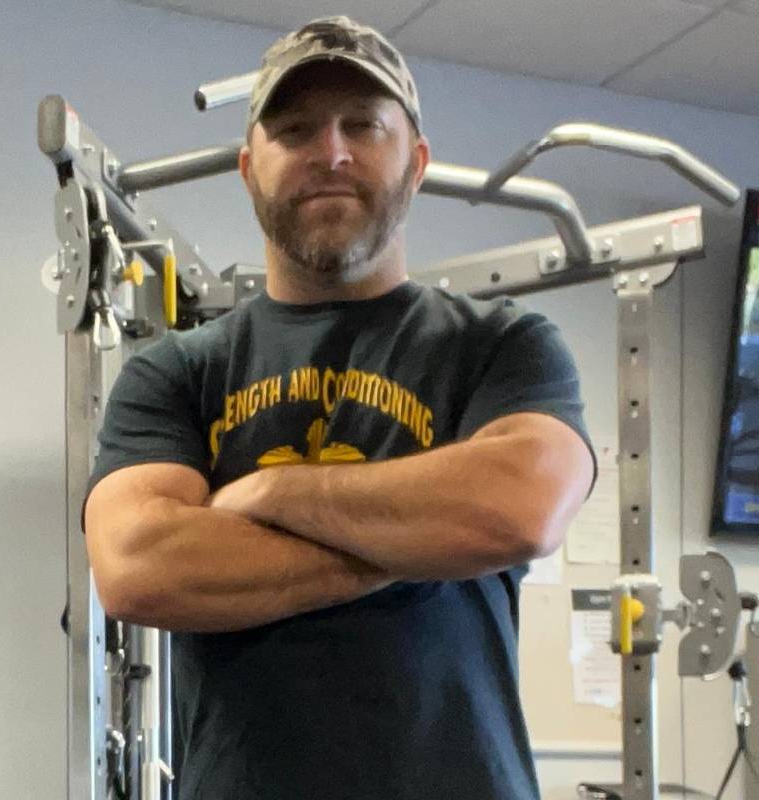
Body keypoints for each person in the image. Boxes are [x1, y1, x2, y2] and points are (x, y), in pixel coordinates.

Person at [84, 15, 595, 800]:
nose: (331, 152)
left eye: (363, 125)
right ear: (249, 169)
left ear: (416, 163)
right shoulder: (178, 371)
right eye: (295, 130)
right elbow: (138, 567)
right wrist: (422, 539)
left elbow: (519, 508)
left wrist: (270, 493)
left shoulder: (502, 344)